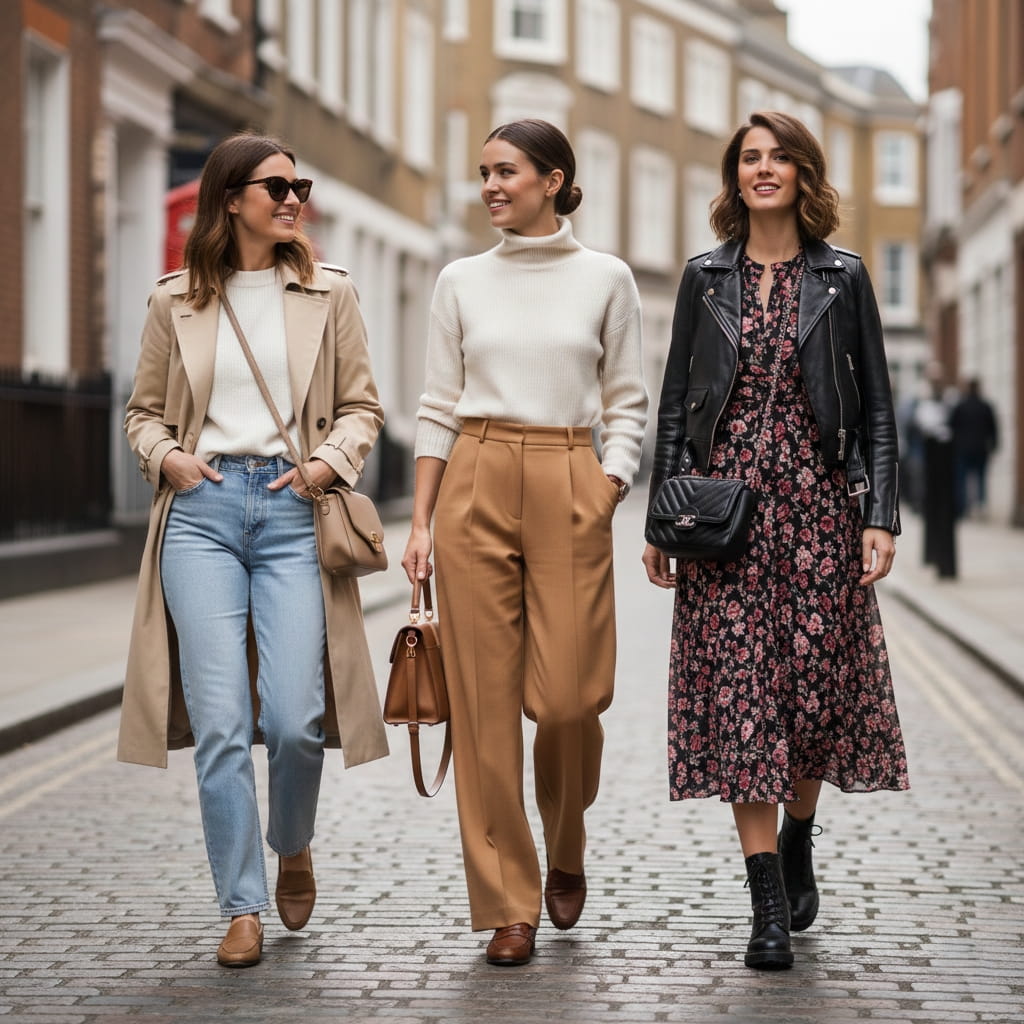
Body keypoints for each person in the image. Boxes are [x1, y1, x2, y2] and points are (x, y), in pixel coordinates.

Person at [642, 112, 909, 970]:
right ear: (735, 176)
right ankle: (764, 903)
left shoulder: (843, 276)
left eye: (779, 156)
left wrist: (879, 515)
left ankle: (799, 835)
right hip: (727, 524)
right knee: (745, 708)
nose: (764, 169)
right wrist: (665, 518)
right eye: (750, 158)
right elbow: (678, 404)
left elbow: (875, 411)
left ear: (803, 173)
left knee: (810, 703)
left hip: (821, 515)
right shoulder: (703, 278)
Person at [118, 132, 389, 968]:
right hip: (201, 515)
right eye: (275, 186)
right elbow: (143, 415)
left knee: (297, 721)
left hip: (292, 512)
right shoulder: (175, 301)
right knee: (224, 725)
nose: (291, 198)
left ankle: (293, 843)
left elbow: (362, 408)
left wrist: (325, 464)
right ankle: (240, 906)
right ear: (230, 198)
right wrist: (168, 459)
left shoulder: (327, 292)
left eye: (298, 185)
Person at [401, 118, 648, 967]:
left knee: (572, 698)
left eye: (506, 171)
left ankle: (566, 837)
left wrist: (609, 482)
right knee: (482, 704)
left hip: (567, 476)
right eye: (483, 173)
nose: (491, 186)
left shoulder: (607, 278)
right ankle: (508, 900)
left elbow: (626, 398)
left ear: (553, 179)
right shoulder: (460, 280)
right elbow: (437, 404)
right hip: (473, 472)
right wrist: (420, 523)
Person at [951, 377, 999, 519]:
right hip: (980, 448)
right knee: (980, 478)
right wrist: (994, 445)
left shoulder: (960, 406)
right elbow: (993, 429)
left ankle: (964, 507)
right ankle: (980, 505)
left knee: (963, 479)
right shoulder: (985, 406)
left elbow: (952, 427)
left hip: (963, 449)